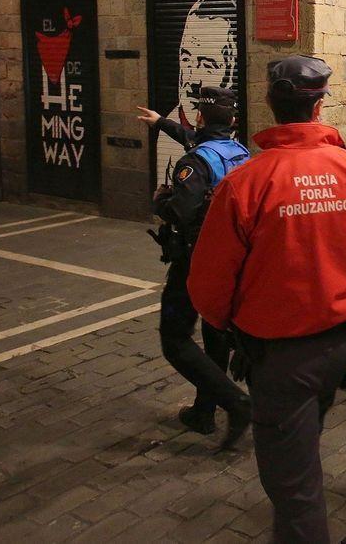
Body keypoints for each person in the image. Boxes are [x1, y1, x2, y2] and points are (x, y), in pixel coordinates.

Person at [188, 56, 346, 543]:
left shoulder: (247, 183)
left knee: (294, 488)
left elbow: (208, 285)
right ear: (319, 105)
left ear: (269, 107)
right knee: (299, 456)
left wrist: (229, 323)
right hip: (339, 346)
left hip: (279, 357)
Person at [137, 86, 252, 446]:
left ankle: (235, 402)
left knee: (174, 338)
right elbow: (196, 140)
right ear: (232, 120)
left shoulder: (195, 163)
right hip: (230, 261)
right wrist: (161, 123)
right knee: (216, 336)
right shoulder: (240, 153)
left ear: (201, 116)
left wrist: (161, 203)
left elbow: (181, 211)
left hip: (194, 261)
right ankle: (204, 412)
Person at [156, 0, 240, 182]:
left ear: (231, 69)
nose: (192, 78)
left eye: (208, 65)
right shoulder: (170, 131)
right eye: (186, 60)